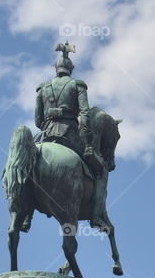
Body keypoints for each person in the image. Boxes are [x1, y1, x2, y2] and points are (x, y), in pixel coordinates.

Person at [34, 42, 112, 231]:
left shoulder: (42, 88)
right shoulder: (78, 85)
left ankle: (26, 214)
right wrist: (86, 139)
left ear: (56, 68)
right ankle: (96, 216)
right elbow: (84, 114)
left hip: (46, 135)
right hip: (69, 135)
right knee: (101, 171)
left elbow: (37, 120)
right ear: (70, 69)